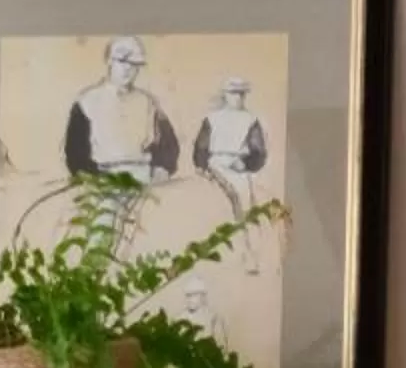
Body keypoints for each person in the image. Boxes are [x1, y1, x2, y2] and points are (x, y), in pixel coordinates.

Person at [64, 38, 180, 185]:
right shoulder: (87, 102)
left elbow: (169, 146)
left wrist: (163, 169)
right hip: (102, 179)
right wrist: (93, 179)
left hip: (144, 179)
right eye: (122, 62)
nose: (128, 69)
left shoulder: (148, 102)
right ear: (109, 61)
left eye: (134, 64)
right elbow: (75, 153)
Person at [194, 78, 271, 266]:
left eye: (241, 93)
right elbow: (201, 146)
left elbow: (258, 151)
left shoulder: (251, 119)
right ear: (225, 95)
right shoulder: (212, 118)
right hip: (215, 163)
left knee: (246, 206)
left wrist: (245, 164)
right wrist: (202, 166)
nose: (237, 97)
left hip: (239, 165)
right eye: (233, 93)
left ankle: (251, 254)